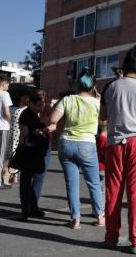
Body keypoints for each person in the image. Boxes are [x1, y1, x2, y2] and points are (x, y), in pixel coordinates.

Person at [101, 46, 136, 254]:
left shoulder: (110, 87)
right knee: (135, 194)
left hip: (115, 143)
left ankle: (111, 237)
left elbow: (103, 117)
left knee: (113, 191)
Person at [47, 70, 104, 229]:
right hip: (87, 143)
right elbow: (105, 119)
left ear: (77, 85)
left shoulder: (67, 99)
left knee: (72, 184)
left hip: (67, 143)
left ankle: (75, 219)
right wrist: (98, 100)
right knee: (93, 183)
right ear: (93, 87)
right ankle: (100, 217)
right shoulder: (97, 103)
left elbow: (53, 120)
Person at [17, 94, 49, 221]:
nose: (41, 108)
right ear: (31, 104)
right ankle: (26, 210)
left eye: (43, 105)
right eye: (39, 105)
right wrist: (43, 130)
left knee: (33, 179)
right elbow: (24, 134)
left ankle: (32, 208)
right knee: (26, 181)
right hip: (29, 151)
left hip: (35, 150)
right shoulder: (26, 115)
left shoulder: (33, 114)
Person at [32, 90, 53, 209]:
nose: (40, 105)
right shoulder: (29, 112)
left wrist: (42, 131)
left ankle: (33, 204)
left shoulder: (48, 109)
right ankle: (29, 204)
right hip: (32, 144)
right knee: (31, 175)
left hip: (45, 143)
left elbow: (53, 124)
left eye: (42, 102)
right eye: (38, 103)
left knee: (40, 175)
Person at [4, 95, 30, 185]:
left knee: (11, 157)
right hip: (23, 138)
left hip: (14, 137)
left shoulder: (17, 111)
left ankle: (7, 177)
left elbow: (12, 124)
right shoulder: (29, 112)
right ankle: (15, 177)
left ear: (21, 102)